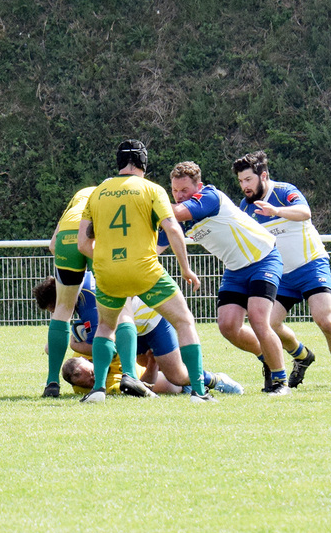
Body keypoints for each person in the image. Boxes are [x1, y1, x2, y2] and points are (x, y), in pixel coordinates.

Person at [76, 140, 208, 402]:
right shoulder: (152, 189)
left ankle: (98, 390)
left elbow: (83, 243)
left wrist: (104, 261)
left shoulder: (97, 192)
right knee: (184, 321)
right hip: (145, 271)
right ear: (143, 164)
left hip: (107, 273)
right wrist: (186, 269)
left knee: (106, 326)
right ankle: (199, 392)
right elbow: (173, 229)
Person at [233, 151, 331, 390]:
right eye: (240, 181)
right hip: (281, 274)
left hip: (311, 265)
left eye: (248, 179)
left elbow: (305, 213)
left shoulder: (283, 192)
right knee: (267, 325)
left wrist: (275, 211)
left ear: (263, 176)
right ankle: (301, 355)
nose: (244, 186)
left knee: (325, 321)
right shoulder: (246, 206)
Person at [167, 160, 289, 394]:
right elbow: (161, 242)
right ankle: (267, 357)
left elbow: (177, 212)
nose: (179, 196)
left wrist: (147, 199)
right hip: (235, 269)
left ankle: (281, 382)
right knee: (228, 326)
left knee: (258, 319)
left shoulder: (209, 197)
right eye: (174, 190)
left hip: (263, 258)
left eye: (184, 190)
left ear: (198, 186)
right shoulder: (179, 215)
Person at [34, 272, 241, 396]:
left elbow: (109, 345)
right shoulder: (80, 285)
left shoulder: (89, 304)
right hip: (131, 327)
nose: (56, 314)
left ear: (58, 299)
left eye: (53, 309)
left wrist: (73, 345)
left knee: (176, 375)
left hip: (151, 323)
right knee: (147, 369)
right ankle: (187, 387)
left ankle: (216, 379)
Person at [41, 184, 97, 397]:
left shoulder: (80, 193)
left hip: (66, 236)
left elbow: (53, 246)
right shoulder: (113, 193)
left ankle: (52, 382)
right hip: (94, 236)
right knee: (118, 305)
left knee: (63, 309)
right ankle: (125, 375)